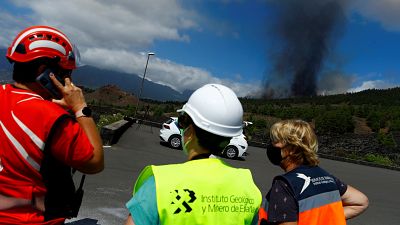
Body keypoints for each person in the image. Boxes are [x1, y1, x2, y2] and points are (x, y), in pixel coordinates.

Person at [0, 25, 104, 224]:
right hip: (31, 219)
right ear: (45, 72)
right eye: (67, 73)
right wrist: (81, 108)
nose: (70, 80)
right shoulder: (52, 118)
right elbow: (95, 162)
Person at [124, 84, 262, 225]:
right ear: (228, 138)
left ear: (189, 131)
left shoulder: (159, 183)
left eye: (183, 121)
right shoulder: (247, 187)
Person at [259, 119, 369, 225]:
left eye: (275, 141)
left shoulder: (285, 185)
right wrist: (326, 219)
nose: (271, 145)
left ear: (293, 149)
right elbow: (360, 202)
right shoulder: (326, 177)